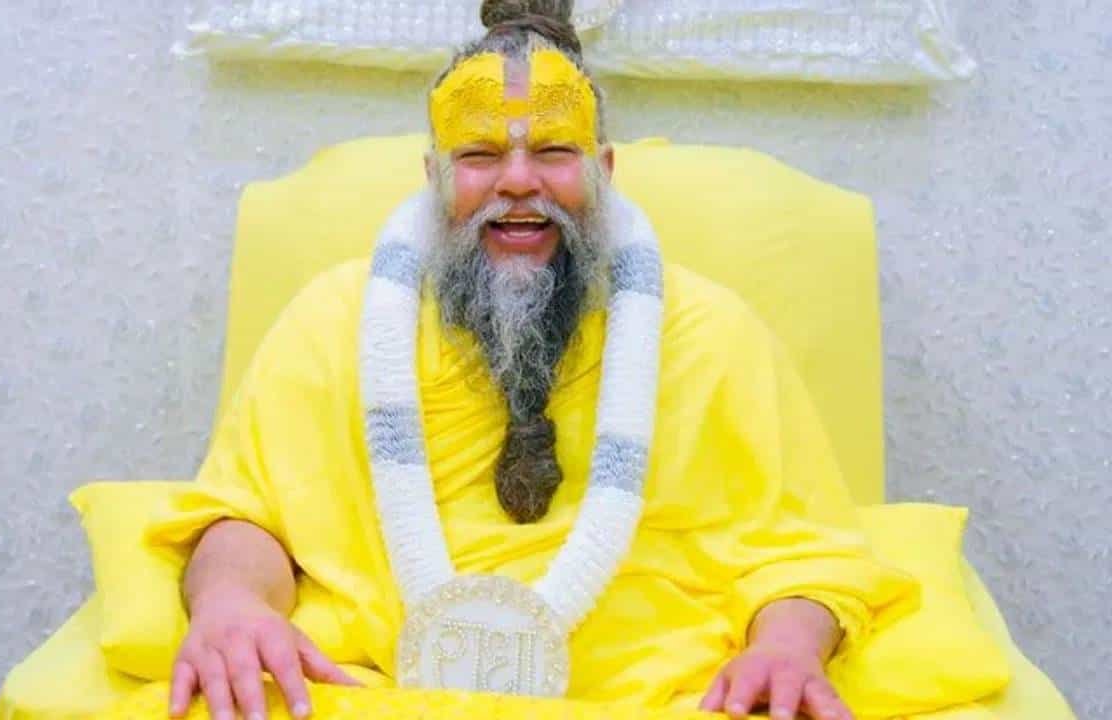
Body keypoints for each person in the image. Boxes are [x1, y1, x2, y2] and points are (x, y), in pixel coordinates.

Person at [159, 2, 917, 719]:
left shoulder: (709, 335)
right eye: (480, 155)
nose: (518, 180)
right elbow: (249, 514)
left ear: (605, 171)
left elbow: (801, 553)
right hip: (373, 687)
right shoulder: (337, 321)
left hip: (655, 696)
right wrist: (231, 604)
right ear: (432, 177)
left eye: (553, 152)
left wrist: (786, 649)